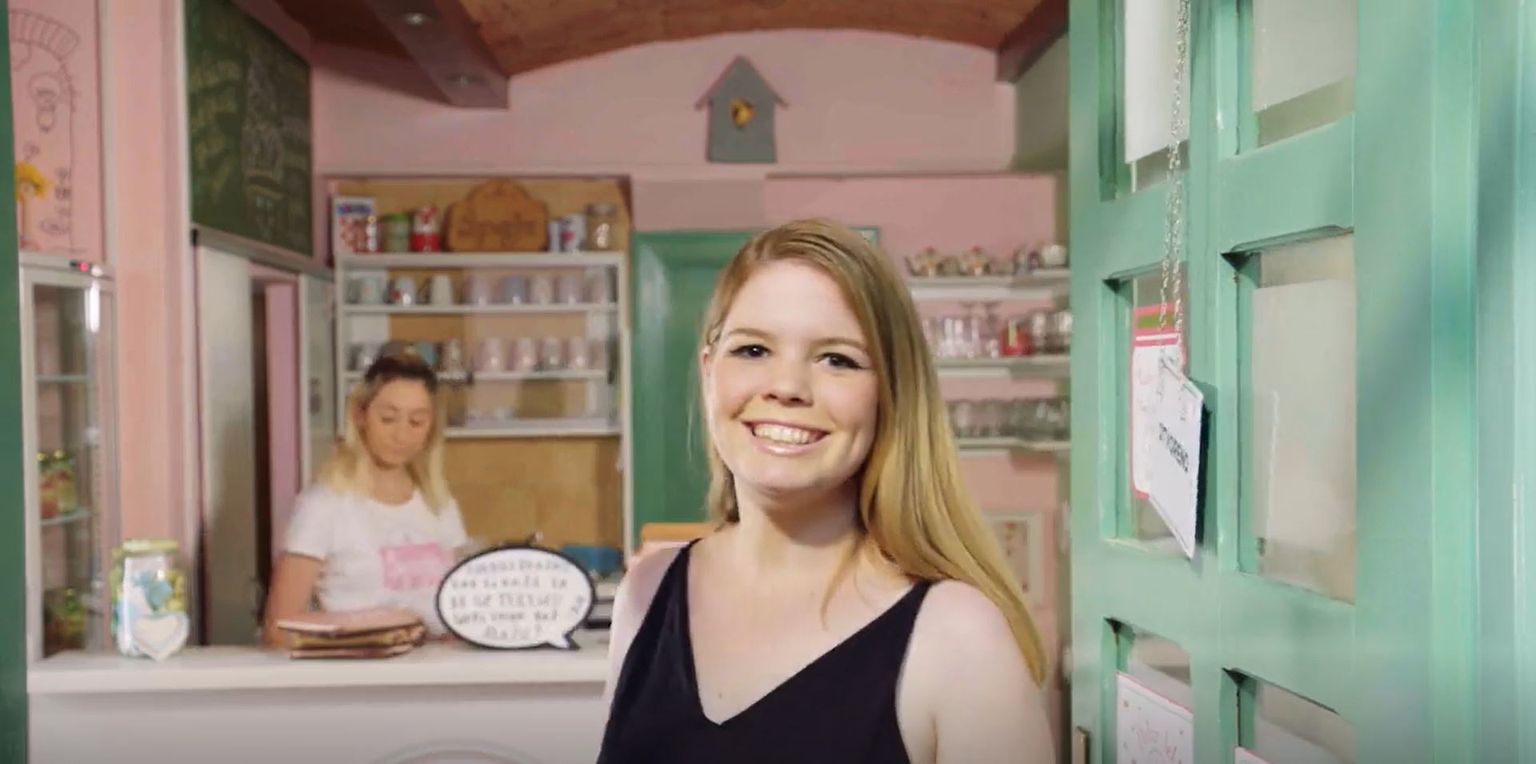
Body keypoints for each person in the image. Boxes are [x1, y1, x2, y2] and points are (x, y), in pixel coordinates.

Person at [598, 219, 1055, 763]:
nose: (787, 387)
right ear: (708, 371)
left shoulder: (960, 638)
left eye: (837, 359)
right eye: (753, 350)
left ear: (891, 394)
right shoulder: (646, 593)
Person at [261, 351, 469, 647]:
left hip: (436, 671)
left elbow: (460, 608)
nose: (401, 435)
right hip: (355, 670)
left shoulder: (439, 503)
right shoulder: (324, 505)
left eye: (416, 422)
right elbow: (279, 628)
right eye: (388, 419)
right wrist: (379, 627)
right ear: (360, 416)